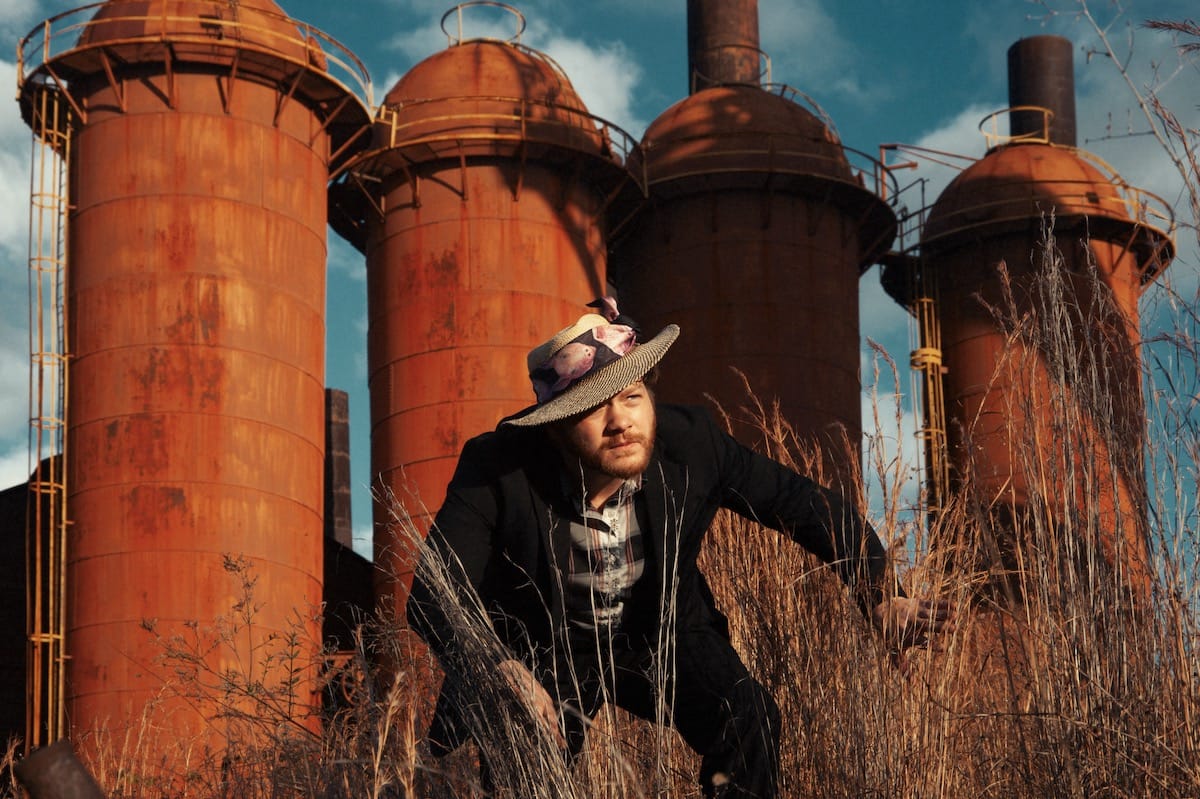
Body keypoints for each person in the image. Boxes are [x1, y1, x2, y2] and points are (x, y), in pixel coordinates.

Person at [407, 304, 953, 798]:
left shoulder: (692, 444)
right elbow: (434, 592)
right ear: (556, 428)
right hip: (540, 650)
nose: (620, 421)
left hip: (660, 632)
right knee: (526, 764)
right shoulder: (497, 469)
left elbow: (800, 504)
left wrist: (880, 594)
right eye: (592, 408)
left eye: (631, 397)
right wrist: (500, 669)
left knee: (748, 716)